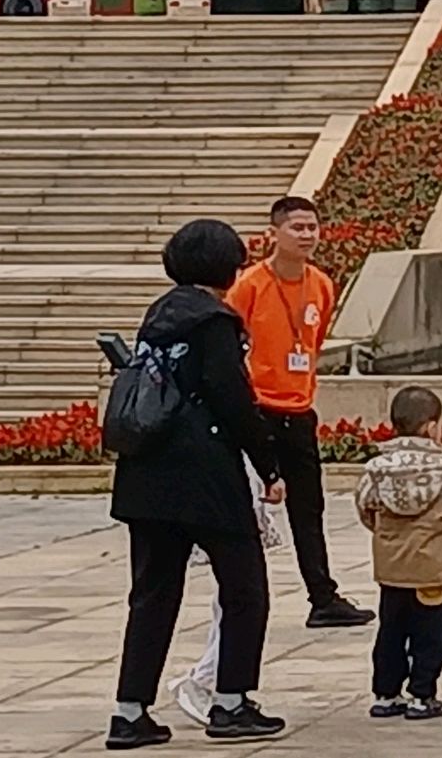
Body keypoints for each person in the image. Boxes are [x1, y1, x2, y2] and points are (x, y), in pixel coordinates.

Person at [108, 217, 290, 748]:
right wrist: (269, 465)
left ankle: (129, 711)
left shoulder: (159, 315)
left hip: (145, 475)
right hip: (202, 474)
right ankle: (231, 703)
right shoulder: (214, 321)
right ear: (225, 266)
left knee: (153, 594)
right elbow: (233, 399)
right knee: (245, 588)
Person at [228, 195, 370, 632]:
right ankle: (243, 597)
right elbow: (231, 343)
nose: (307, 235)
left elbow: (312, 341)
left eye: (312, 227)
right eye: (297, 227)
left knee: (308, 509)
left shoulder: (321, 285)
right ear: (274, 233)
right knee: (246, 508)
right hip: (257, 411)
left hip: (299, 410)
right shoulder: (250, 285)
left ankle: (322, 597)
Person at [355, 383, 442, 722]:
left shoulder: (376, 470)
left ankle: (386, 693)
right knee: (432, 634)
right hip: (434, 569)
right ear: (431, 427)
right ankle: (422, 694)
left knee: (391, 631)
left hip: (392, 569)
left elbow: (365, 508)